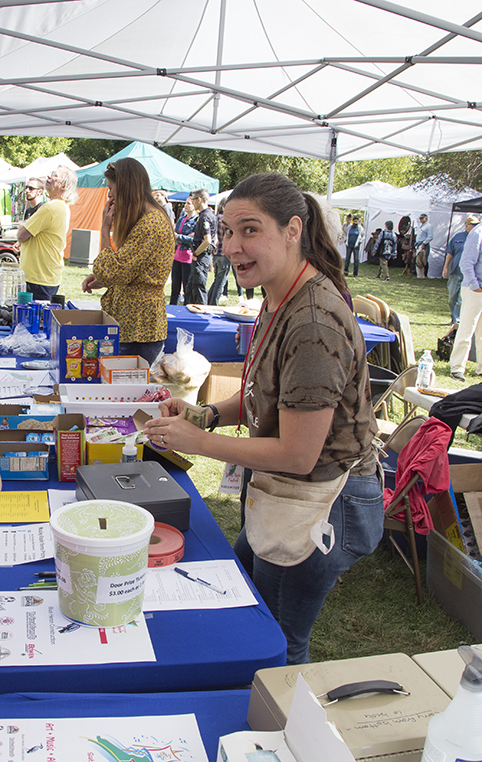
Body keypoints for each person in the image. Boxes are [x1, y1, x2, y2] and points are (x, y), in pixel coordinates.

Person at [143, 172, 383, 665]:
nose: (232, 245)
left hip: (322, 501)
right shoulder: (280, 296)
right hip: (288, 494)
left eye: (250, 230)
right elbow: (266, 397)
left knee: (277, 641)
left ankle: (277, 731)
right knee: (247, 600)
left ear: (293, 229)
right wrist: (206, 413)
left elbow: (297, 453)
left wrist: (197, 440)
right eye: (228, 231)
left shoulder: (314, 322)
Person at [81, 157, 175, 366]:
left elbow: (113, 271)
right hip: (133, 328)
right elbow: (126, 271)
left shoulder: (150, 224)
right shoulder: (147, 220)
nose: (110, 195)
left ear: (125, 189)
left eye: (112, 189)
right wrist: (105, 279)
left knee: (122, 393)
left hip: (138, 331)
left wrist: (105, 229)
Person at [16, 165, 78, 300]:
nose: (49, 177)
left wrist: (24, 224)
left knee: (29, 319)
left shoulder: (50, 208)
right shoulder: (62, 206)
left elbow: (21, 235)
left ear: (63, 185)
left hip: (37, 278)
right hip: (46, 276)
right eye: (51, 173)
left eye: (55, 175)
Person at [449, 218, 482, 381]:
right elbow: (466, 263)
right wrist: (475, 285)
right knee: (467, 329)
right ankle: (457, 367)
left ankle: (481, 368)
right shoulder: (477, 233)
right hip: (474, 289)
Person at [185, 188, 219, 304]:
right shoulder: (206, 215)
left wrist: (196, 253)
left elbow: (208, 240)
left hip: (201, 257)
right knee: (191, 288)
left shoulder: (205, 217)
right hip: (201, 256)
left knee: (199, 288)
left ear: (199, 199)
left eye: (193, 199)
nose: (192, 202)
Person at [444, 216, 479, 325]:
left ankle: (457, 320)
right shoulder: (458, 237)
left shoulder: (478, 237)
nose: (475, 227)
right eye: (473, 225)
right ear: (466, 225)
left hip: (468, 274)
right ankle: (453, 316)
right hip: (455, 272)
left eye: (476, 225)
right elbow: (450, 252)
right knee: (452, 297)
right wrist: (446, 267)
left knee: (461, 299)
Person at [170, 196, 197, 305]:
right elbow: (174, 234)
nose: (185, 205)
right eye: (185, 203)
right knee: (175, 287)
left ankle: (187, 307)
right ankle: (172, 308)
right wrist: (182, 237)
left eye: (189, 203)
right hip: (177, 255)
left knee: (187, 287)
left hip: (188, 257)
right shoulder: (182, 219)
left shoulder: (196, 221)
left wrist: (180, 237)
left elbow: (195, 239)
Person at [206, 200, 230, 306]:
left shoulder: (215, 218)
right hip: (224, 253)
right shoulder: (225, 220)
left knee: (217, 280)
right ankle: (213, 302)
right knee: (220, 281)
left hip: (216, 252)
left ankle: (209, 299)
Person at [415, 213, 433, 278]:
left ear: (426, 218)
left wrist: (424, 243)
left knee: (422, 259)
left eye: (422, 218)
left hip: (423, 244)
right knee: (419, 259)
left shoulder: (428, 226)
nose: (420, 220)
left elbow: (430, 237)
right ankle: (420, 275)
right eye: (420, 218)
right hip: (419, 244)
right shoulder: (422, 226)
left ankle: (422, 275)